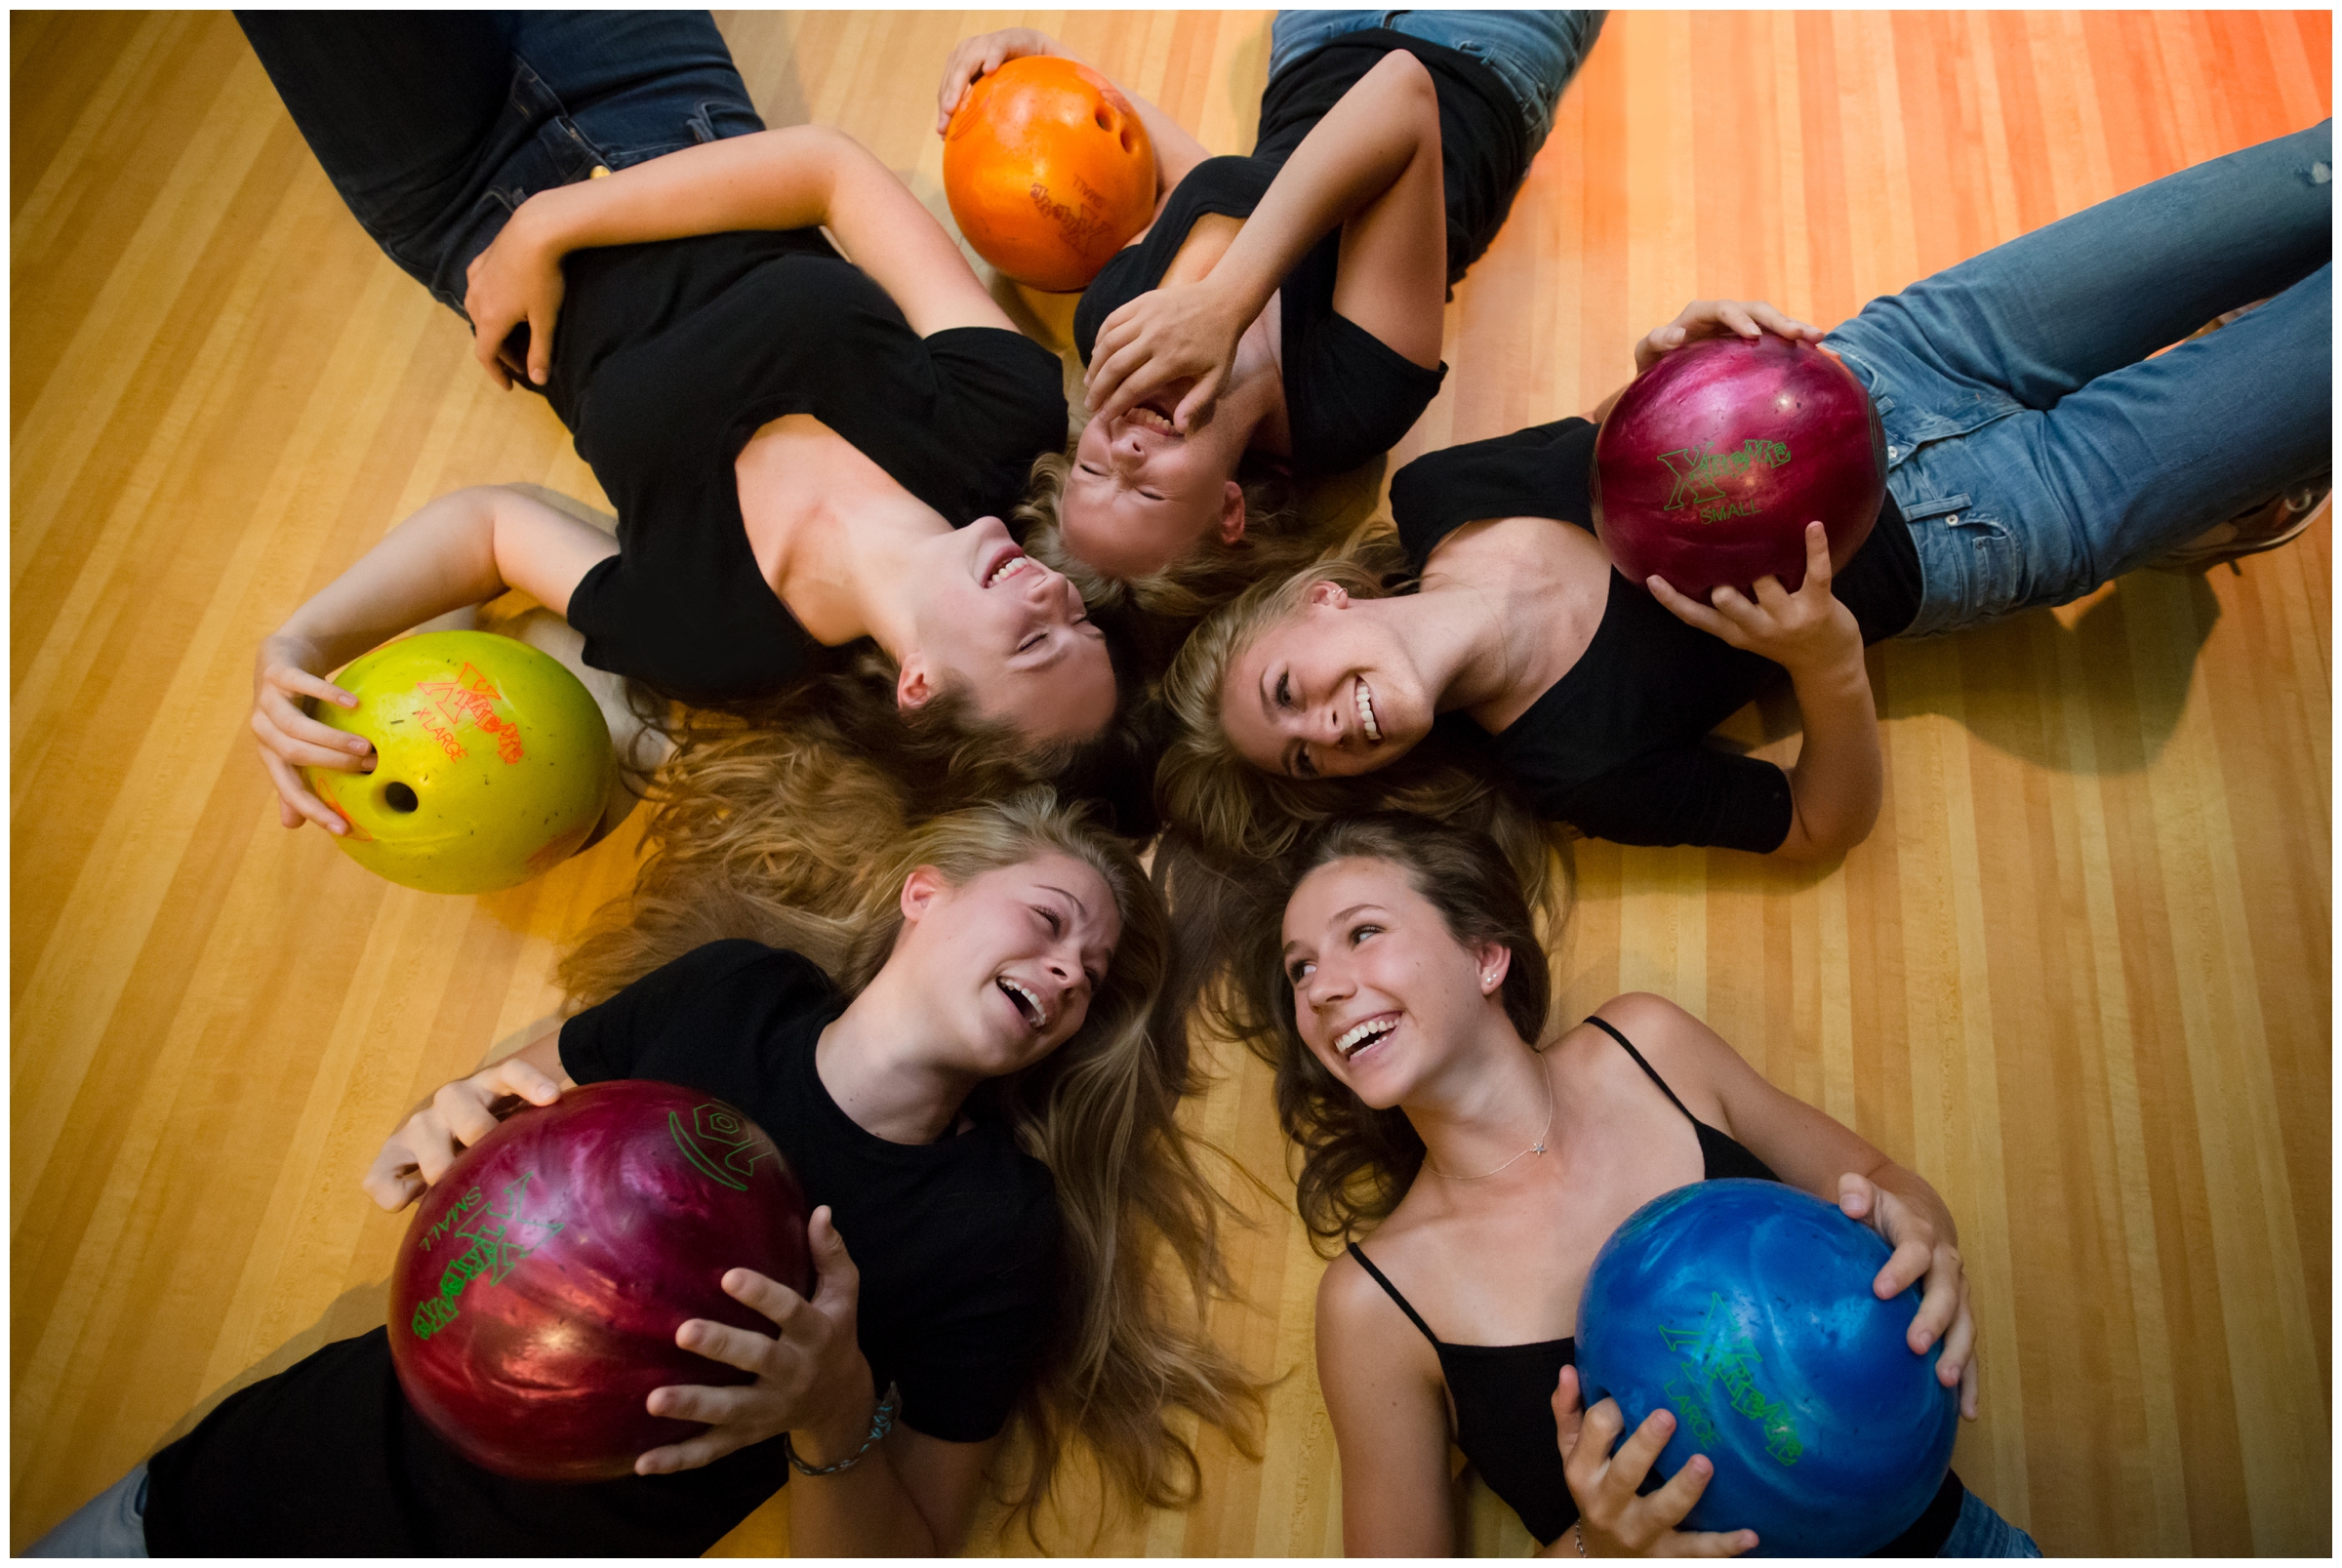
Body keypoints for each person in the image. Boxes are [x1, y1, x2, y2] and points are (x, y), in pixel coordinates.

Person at [27, 791, 1262, 1555]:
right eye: (1049, 919)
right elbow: (492, 1107)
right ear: (925, 896)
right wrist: (443, 1122)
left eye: (1090, 980)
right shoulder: (732, 988)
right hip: (209, 1507)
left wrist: (831, 1407)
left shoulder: (991, 1225)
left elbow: (909, 1548)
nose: (1063, 973)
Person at [1162, 120, 2331, 862]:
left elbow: (1628, 438)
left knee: (2309, 176)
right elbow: (1824, 826)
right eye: (1308, 758)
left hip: (1900, 354)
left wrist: (1674, 356)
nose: (1328, 728)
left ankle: (2229, 480)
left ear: (1320, 605)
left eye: (1288, 695)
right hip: (1997, 524)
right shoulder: (1571, 764)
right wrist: (1824, 660)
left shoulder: (1436, 493)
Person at [239, 13, 1127, 848]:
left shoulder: (714, 643)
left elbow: (492, 532)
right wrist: (552, 226)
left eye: (1034, 639)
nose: (1053, 594)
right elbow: (831, 173)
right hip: (658, 80)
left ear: (920, 685)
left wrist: (303, 642)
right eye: (1079, 618)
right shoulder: (1007, 426)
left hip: (457, 190)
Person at [1210, 810, 2038, 1555]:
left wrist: (1927, 1238)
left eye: (1361, 933)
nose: (1320, 988)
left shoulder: (1649, 1044)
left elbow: (1885, 1185)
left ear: (1485, 954)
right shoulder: (1372, 1306)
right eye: (1300, 969)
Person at [938, 13, 1605, 623]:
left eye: (1092, 471)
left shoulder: (1114, 326)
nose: (1126, 452)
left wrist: (1056, 67)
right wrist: (1225, 302)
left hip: (1315, 38)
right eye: (1145, 495)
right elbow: (1402, 92)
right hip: (1488, 47)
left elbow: (1198, 181)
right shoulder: (1346, 406)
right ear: (1230, 511)